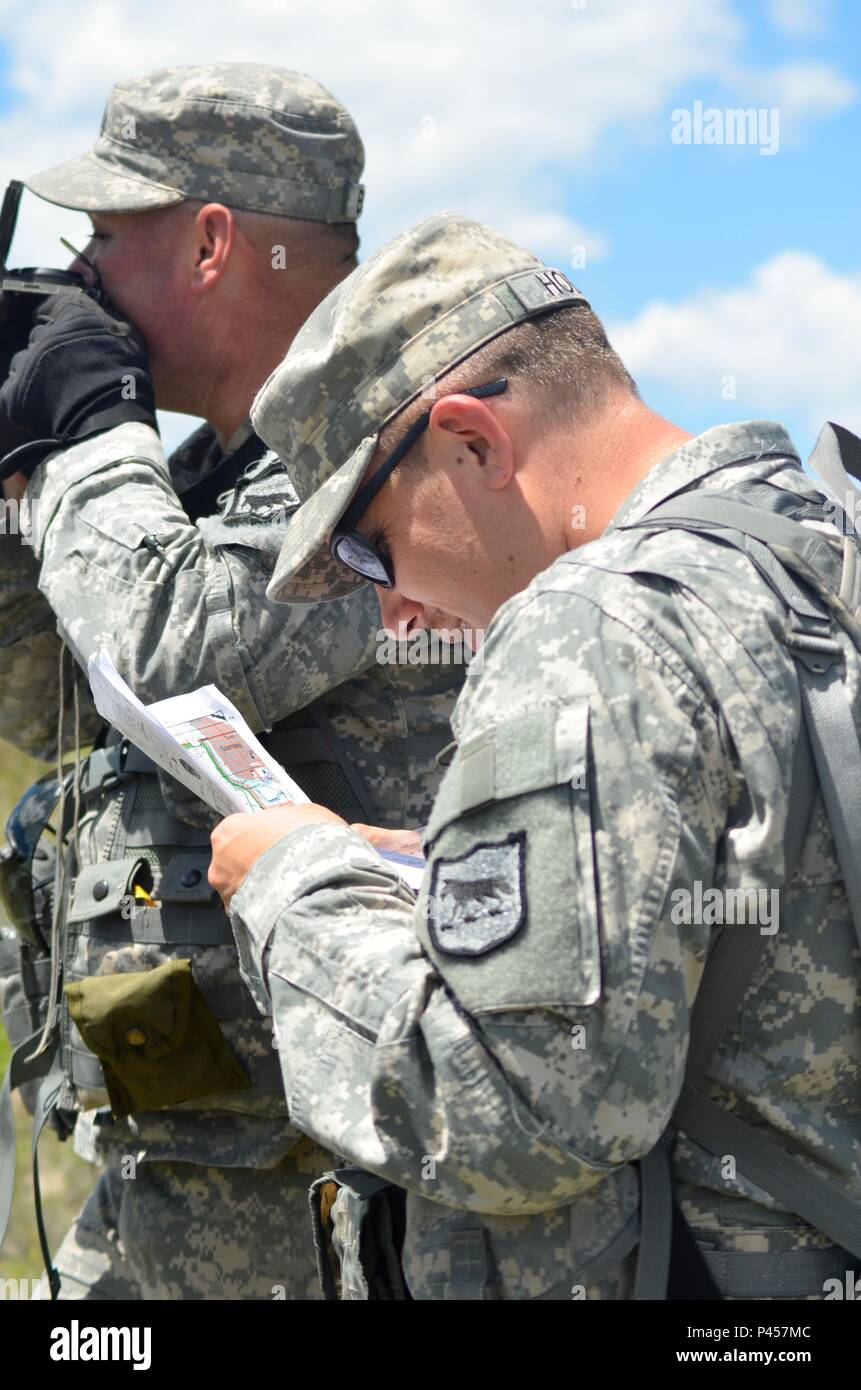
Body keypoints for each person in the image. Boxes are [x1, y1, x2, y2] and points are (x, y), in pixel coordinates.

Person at [210, 212, 860, 1300]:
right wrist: (440, 863)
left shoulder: (590, 628)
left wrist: (290, 881)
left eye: (370, 543)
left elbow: (511, 1106)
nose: (396, 600)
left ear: (472, 438)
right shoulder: (816, 552)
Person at [0, 70, 462, 1300]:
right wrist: (22, 474)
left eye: (105, 235)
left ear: (212, 242)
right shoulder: (200, 482)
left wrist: (85, 421)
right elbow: (45, 689)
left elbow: (167, 647)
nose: (80, 276)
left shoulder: (388, 464)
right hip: (172, 1180)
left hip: (339, 1211)